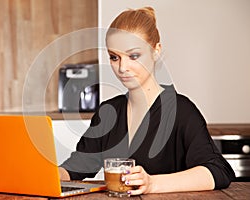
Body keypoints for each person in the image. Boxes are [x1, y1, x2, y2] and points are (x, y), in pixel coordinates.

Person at [58, 6, 235, 195]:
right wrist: (44, 174)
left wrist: (152, 183)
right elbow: (77, 166)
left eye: (133, 56)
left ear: (156, 50)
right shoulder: (108, 112)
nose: (122, 67)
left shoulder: (182, 111)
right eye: (114, 57)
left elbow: (218, 171)